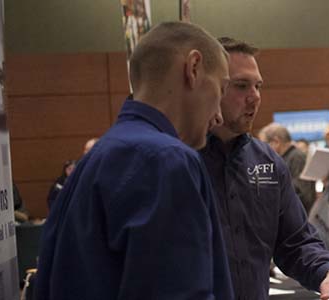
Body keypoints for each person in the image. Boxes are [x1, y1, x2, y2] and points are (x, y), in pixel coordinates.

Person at [34, 22, 233, 299]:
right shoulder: (167, 162)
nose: (220, 116)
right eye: (222, 89)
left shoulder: (95, 159)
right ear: (194, 68)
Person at [200, 37, 329, 300]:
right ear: (209, 87)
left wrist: (328, 271)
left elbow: (295, 241)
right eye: (241, 86)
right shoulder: (179, 158)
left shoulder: (267, 160)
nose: (255, 97)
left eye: (258, 86)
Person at [261, 123, 317, 213]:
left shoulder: (297, 157)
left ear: (276, 142)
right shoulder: (286, 158)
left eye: (265, 145)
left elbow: (302, 193)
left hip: (299, 215)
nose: (263, 150)